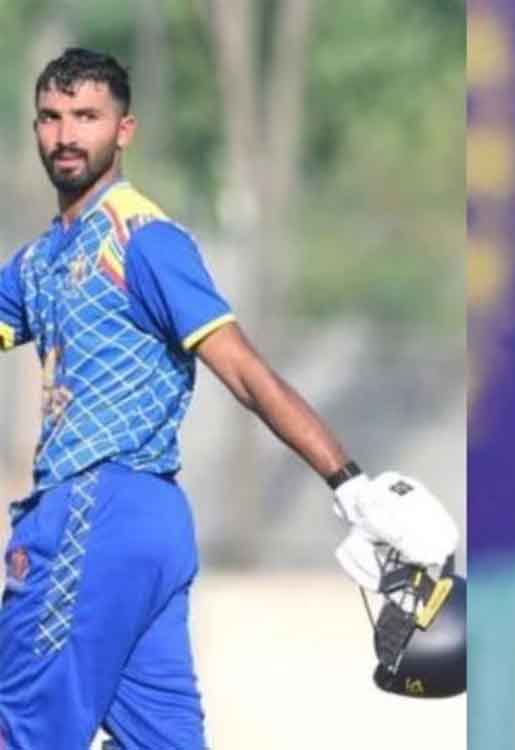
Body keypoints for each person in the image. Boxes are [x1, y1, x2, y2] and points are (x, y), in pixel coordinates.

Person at [0, 48, 458, 750]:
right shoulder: (41, 261)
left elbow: (243, 370)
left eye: (87, 117)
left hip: (95, 508)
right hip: (145, 529)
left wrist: (348, 483)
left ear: (124, 130)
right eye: (52, 118)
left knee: (21, 731)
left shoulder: (143, 241)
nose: (66, 135)